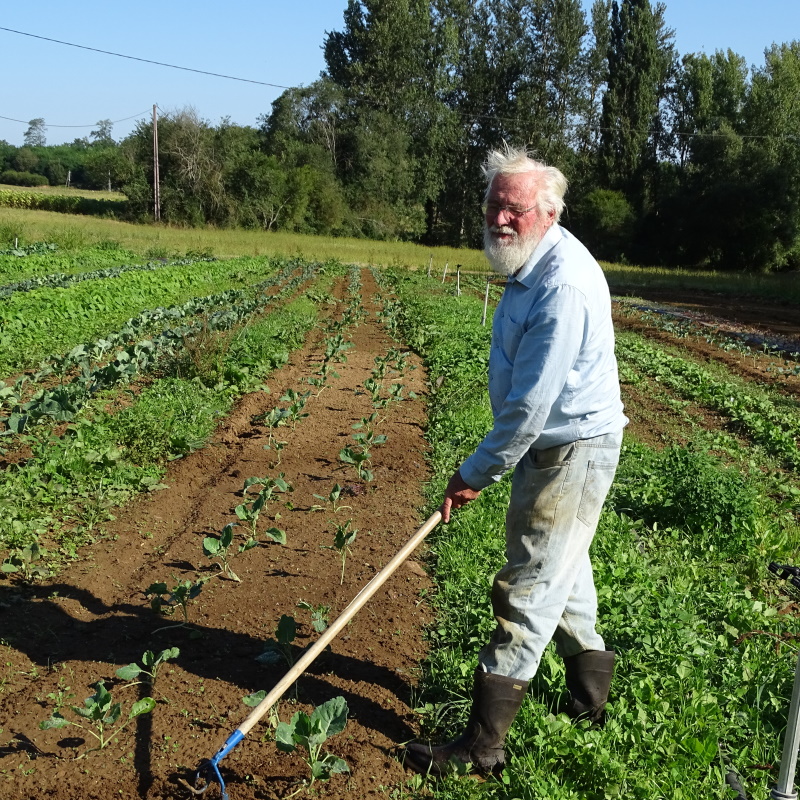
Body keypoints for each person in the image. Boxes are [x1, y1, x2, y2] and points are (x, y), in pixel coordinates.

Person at [404, 145, 628, 777]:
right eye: (494, 206)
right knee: (566, 575)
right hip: (555, 445)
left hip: (569, 449)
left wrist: (473, 472)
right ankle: (591, 703)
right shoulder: (533, 263)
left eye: (516, 209)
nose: (501, 219)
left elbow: (530, 407)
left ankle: (483, 744)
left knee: (529, 584)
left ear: (549, 212)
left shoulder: (562, 285)